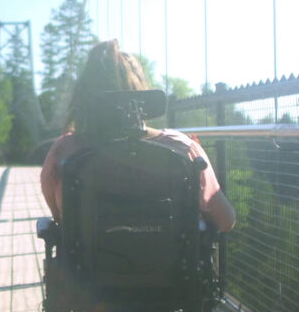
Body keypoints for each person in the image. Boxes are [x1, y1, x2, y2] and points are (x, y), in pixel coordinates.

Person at [40, 39, 236, 233]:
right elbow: (226, 221)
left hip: (88, 264)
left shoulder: (65, 151)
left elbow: (60, 217)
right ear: (141, 93)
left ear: (84, 97)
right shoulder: (183, 149)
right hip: (169, 263)